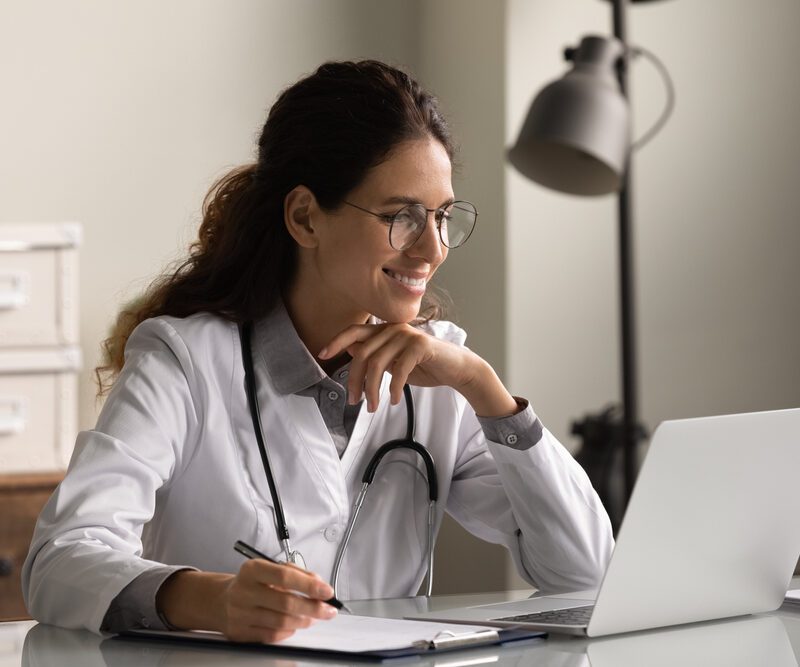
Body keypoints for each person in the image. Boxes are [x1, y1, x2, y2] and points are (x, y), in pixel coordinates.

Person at [22, 60, 613, 642]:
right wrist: (214, 600)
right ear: (305, 217)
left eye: (441, 217)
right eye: (401, 217)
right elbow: (60, 558)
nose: (432, 249)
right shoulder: (186, 359)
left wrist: (485, 389)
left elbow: (586, 574)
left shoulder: (444, 377)